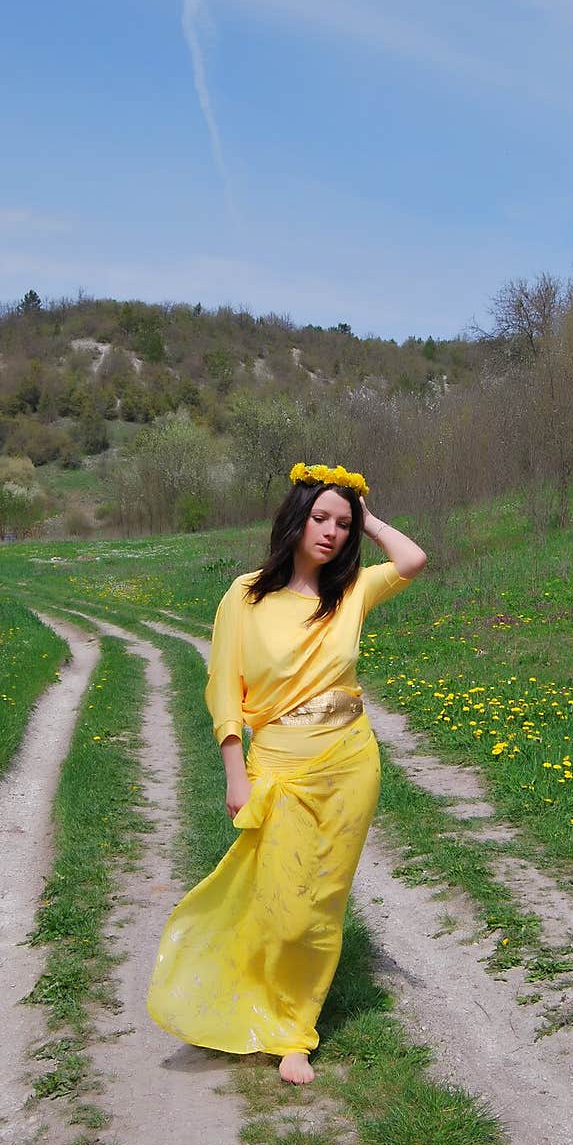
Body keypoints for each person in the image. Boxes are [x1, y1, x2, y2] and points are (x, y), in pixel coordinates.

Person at [146, 462, 427, 1084]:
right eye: (321, 518)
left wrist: (368, 515)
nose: (330, 532)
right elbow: (224, 687)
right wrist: (232, 773)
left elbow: (412, 560)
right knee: (283, 903)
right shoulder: (246, 596)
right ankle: (254, 995)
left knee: (323, 902)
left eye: (343, 525)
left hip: (351, 761)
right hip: (279, 761)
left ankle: (293, 1031)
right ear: (296, 520)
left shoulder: (351, 590)